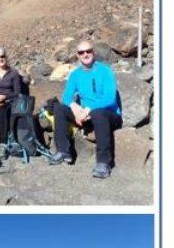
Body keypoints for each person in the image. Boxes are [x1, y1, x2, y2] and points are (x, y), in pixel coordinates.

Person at [49, 39, 122, 179]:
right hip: (85, 115)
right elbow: (66, 97)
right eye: (81, 52)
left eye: (88, 51)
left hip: (108, 115)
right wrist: (75, 108)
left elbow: (110, 98)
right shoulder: (75, 74)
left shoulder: (105, 71)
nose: (85, 54)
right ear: (77, 55)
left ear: (94, 52)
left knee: (98, 113)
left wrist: (88, 109)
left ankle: (103, 162)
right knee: (59, 108)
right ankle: (63, 151)